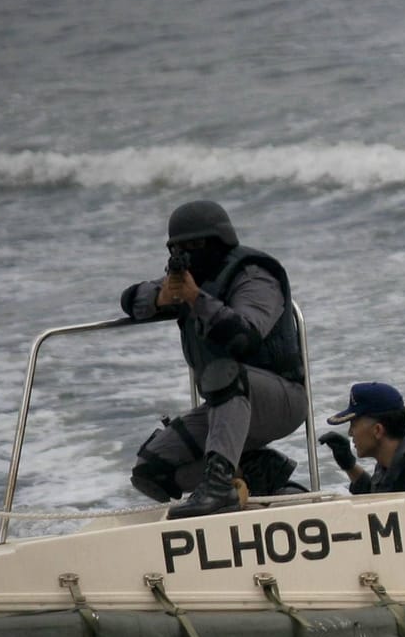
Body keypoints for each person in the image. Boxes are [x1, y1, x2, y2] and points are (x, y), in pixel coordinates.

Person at [120, 200, 306, 519]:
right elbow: (129, 298)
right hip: (226, 405)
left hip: (279, 399)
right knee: (152, 470)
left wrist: (196, 298)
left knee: (225, 373)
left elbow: (242, 337)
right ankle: (253, 472)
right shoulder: (192, 278)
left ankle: (218, 486)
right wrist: (160, 297)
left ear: (219, 242)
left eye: (194, 246)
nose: (187, 255)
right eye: (178, 249)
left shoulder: (255, 276)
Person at [317, 382, 405, 496]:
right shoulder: (386, 467)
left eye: (354, 425)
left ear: (378, 430)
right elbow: (376, 500)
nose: (350, 433)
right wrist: (349, 465)